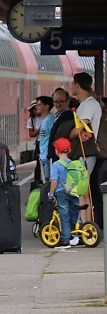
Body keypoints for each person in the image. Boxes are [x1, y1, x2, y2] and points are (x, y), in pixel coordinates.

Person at [70, 72, 102, 221]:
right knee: (83, 192)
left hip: (85, 153)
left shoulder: (89, 105)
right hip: (86, 153)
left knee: (80, 190)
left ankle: (82, 224)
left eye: (72, 83)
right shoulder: (87, 104)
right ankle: (86, 223)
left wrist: (68, 134)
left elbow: (79, 129)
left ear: (77, 84)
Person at [48, 137, 80, 248]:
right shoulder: (74, 163)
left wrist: (51, 194)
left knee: (64, 216)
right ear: (70, 150)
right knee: (74, 214)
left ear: (56, 151)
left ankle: (66, 240)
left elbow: (54, 181)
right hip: (74, 191)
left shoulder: (56, 165)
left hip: (62, 192)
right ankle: (76, 235)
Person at [33, 96, 54, 186]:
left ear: (46, 106)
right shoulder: (45, 120)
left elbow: (53, 137)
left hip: (47, 156)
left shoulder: (50, 120)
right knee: (46, 182)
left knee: (48, 183)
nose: (36, 107)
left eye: (39, 105)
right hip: (43, 155)